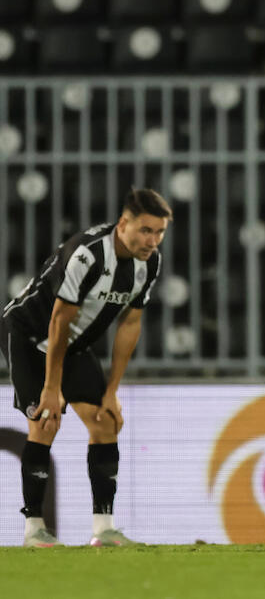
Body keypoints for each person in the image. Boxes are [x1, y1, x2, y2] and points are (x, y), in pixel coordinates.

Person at [0, 188, 171, 547]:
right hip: (28, 336)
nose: (152, 240)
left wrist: (111, 391)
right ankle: (34, 531)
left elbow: (130, 324)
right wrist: (51, 388)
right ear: (123, 224)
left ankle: (104, 530)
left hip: (72, 345)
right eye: (145, 230)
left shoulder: (150, 263)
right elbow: (59, 320)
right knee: (45, 422)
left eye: (159, 232)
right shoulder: (88, 254)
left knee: (106, 422)